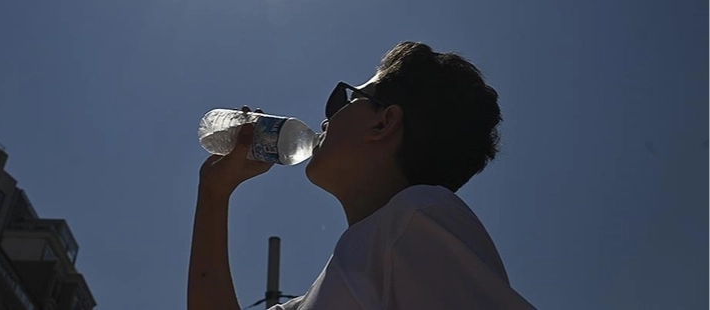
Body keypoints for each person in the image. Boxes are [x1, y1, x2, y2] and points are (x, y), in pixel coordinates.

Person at [188, 41, 536, 310]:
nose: (326, 120)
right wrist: (215, 193)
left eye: (345, 100)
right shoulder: (344, 272)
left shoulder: (418, 215)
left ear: (383, 122)